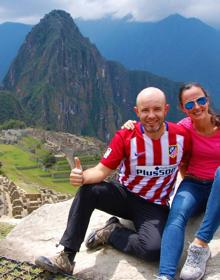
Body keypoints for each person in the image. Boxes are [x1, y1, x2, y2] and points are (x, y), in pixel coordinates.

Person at [34, 87, 190, 275]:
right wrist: (82, 177)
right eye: (145, 110)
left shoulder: (181, 137)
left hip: (154, 205)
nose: (151, 115)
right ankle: (67, 256)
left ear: (166, 109)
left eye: (156, 109)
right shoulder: (126, 136)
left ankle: (112, 233)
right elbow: (101, 171)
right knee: (89, 190)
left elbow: (187, 166)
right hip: (124, 195)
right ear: (136, 112)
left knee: (153, 250)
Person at [121, 83, 220, 280]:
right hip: (194, 184)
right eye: (189, 104)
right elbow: (154, 130)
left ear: (207, 100)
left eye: (200, 100)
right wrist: (131, 126)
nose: (197, 107)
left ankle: (200, 245)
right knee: (177, 215)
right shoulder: (183, 128)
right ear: (183, 109)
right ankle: (165, 275)